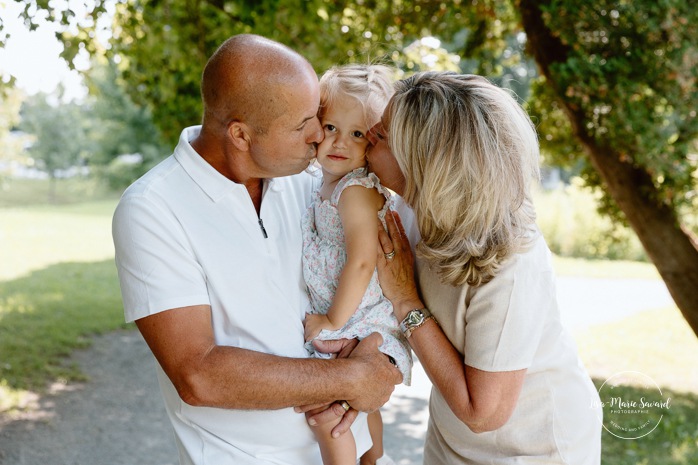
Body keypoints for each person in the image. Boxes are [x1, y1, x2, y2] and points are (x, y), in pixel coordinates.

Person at [111, 34, 401, 465]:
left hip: (347, 449)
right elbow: (198, 373)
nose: (319, 135)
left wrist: (382, 354)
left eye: (317, 115)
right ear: (241, 135)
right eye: (303, 123)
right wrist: (347, 377)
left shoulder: (309, 181)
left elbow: (379, 273)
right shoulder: (153, 209)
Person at [366, 71, 602, 464]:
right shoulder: (409, 208)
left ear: (426, 163)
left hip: (532, 448)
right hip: (449, 437)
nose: (370, 130)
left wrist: (405, 299)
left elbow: (484, 413)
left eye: (386, 133)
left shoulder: (510, 263)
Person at [301, 64, 412, 465]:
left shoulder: (355, 191)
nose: (339, 142)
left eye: (357, 133)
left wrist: (331, 321)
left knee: (326, 409)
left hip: (360, 316)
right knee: (361, 406)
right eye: (330, 127)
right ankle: (373, 459)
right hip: (358, 313)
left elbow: (363, 261)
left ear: (375, 140)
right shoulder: (327, 184)